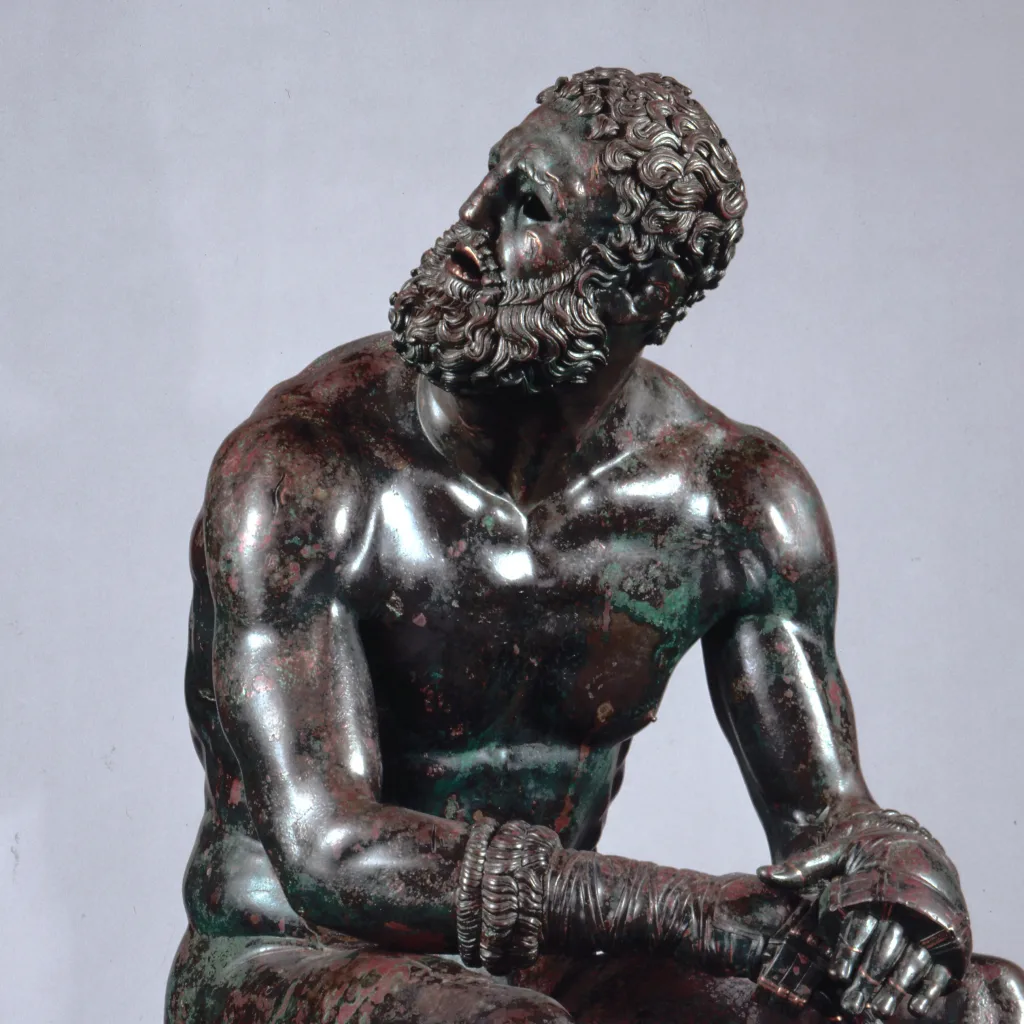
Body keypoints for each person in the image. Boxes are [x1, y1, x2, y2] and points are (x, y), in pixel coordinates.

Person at [166, 68, 1024, 1023]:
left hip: (547, 963)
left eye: (526, 205)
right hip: (287, 956)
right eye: (490, 178)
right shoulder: (305, 471)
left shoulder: (730, 500)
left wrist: (898, 893)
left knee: (979, 1007)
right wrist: (694, 915)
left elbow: (830, 823)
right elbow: (330, 852)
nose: (468, 222)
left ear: (641, 290)